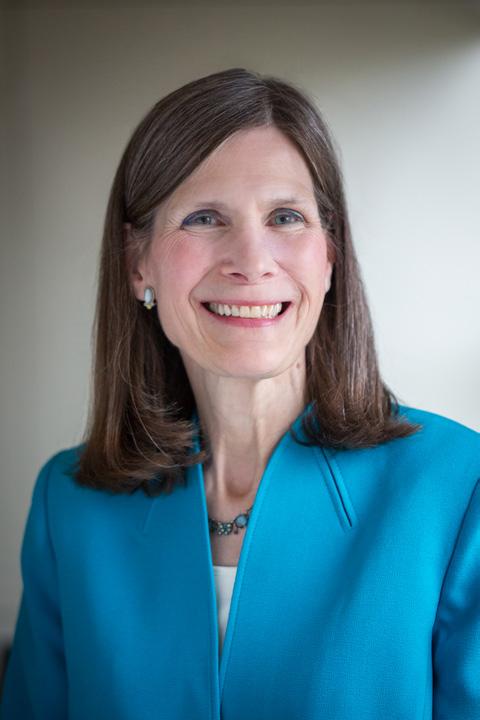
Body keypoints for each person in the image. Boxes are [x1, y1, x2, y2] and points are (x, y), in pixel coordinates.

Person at [1, 67, 479, 720]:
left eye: (285, 216)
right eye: (204, 218)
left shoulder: (458, 487)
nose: (251, 261)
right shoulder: (69, 504)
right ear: (137, 262)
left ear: (330, 256)